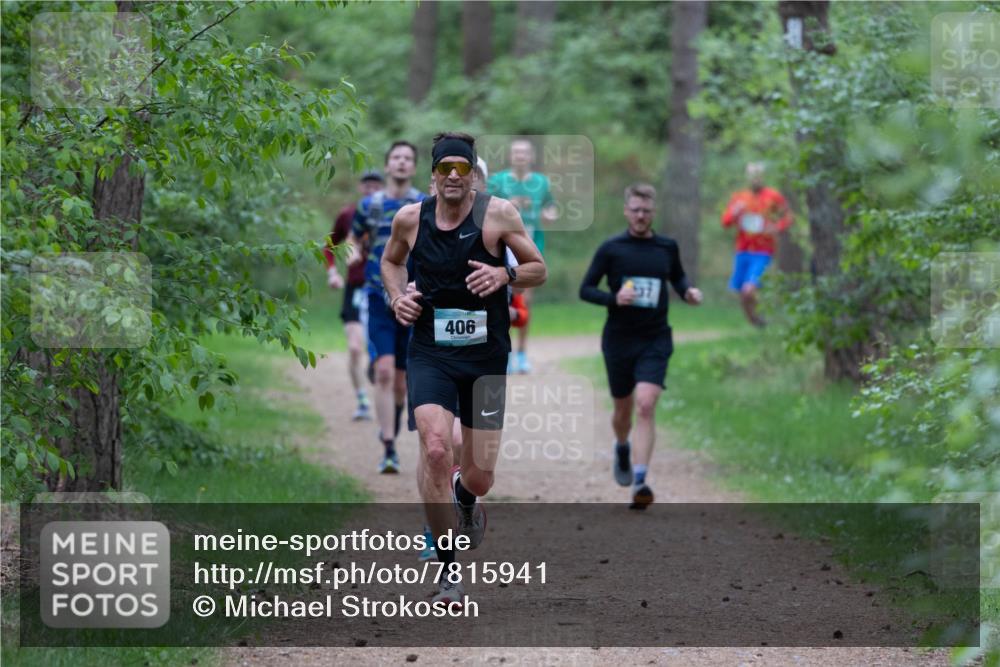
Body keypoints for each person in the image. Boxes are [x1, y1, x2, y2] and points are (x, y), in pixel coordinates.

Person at [382, 131, 546, 606]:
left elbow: (538, 268)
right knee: (435, 448)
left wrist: (504, 273)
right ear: (433, 175)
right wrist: (397, 297)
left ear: (474, 174)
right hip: (430, 351)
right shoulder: (409, 219)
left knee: (479, 477)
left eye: (462, 168)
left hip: (486, 358)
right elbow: (390, 263)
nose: (453, 176)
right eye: (444, 168)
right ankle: (448, 573)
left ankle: (466, 496)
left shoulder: (499, 214)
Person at [579, 183, 703, 510]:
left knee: (646, 405)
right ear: (626, 211)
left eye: (646, 211)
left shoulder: (667, 247)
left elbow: (678, 277)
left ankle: (640, 481)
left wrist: (688, 292)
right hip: (619, 340)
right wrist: (614, 298)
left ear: (653, 213)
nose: (640, 216)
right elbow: (586, 289)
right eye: (635, 210)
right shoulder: (611, 249)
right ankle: (622, 445)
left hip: (655, 338)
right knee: (623, 411)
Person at [347, 142, 425, 473]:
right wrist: (352, 254)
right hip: (377, 296)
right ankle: (389, 447)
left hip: (412, 298)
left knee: (401, 383)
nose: (402, 162)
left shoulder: (425, 204)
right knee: (383, 371)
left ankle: (390, 425)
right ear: (388, 165)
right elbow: (353, 238)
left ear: (414, 167)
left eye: (408, 158)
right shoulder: (370, 205)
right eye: (396, 158)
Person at [487, 138, 557, 374]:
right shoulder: (498, 181)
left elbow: (550, 207)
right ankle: (504, 353)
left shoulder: (541, 182)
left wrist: (550, 215)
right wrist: (509, 204)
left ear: (531, 157)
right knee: (502, 300)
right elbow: (486, 207)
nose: (520, 156)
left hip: (532, 246)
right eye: (516, 152)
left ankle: (522, 353)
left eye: (524, 152)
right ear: (510, 155)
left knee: (524, 302)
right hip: (502, 247)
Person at [324, 170, 384, 421]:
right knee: (354, 347)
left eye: (376, 186)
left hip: (382, 290)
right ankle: (362, 400)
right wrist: (332, 273)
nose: (371, 190)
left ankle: (387, 394)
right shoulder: (348, 215)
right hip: (356, 289)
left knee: (381, 350)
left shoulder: (392, 214)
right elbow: (328, 247)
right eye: (367, 186)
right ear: (361, 188)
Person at [720, 162, 793, 327]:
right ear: (747, 177)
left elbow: (788, 216)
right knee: (742, 293)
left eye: (758, 175)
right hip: (742, 250)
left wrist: (777, 227)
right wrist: (734, 212)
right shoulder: (739, 197)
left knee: (749, 289)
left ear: (763, 176)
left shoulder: (773, 196)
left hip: (763, 250)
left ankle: (761, 317)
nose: (755, 179)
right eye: (752, 175)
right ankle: (755, 322)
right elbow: (725, 222)